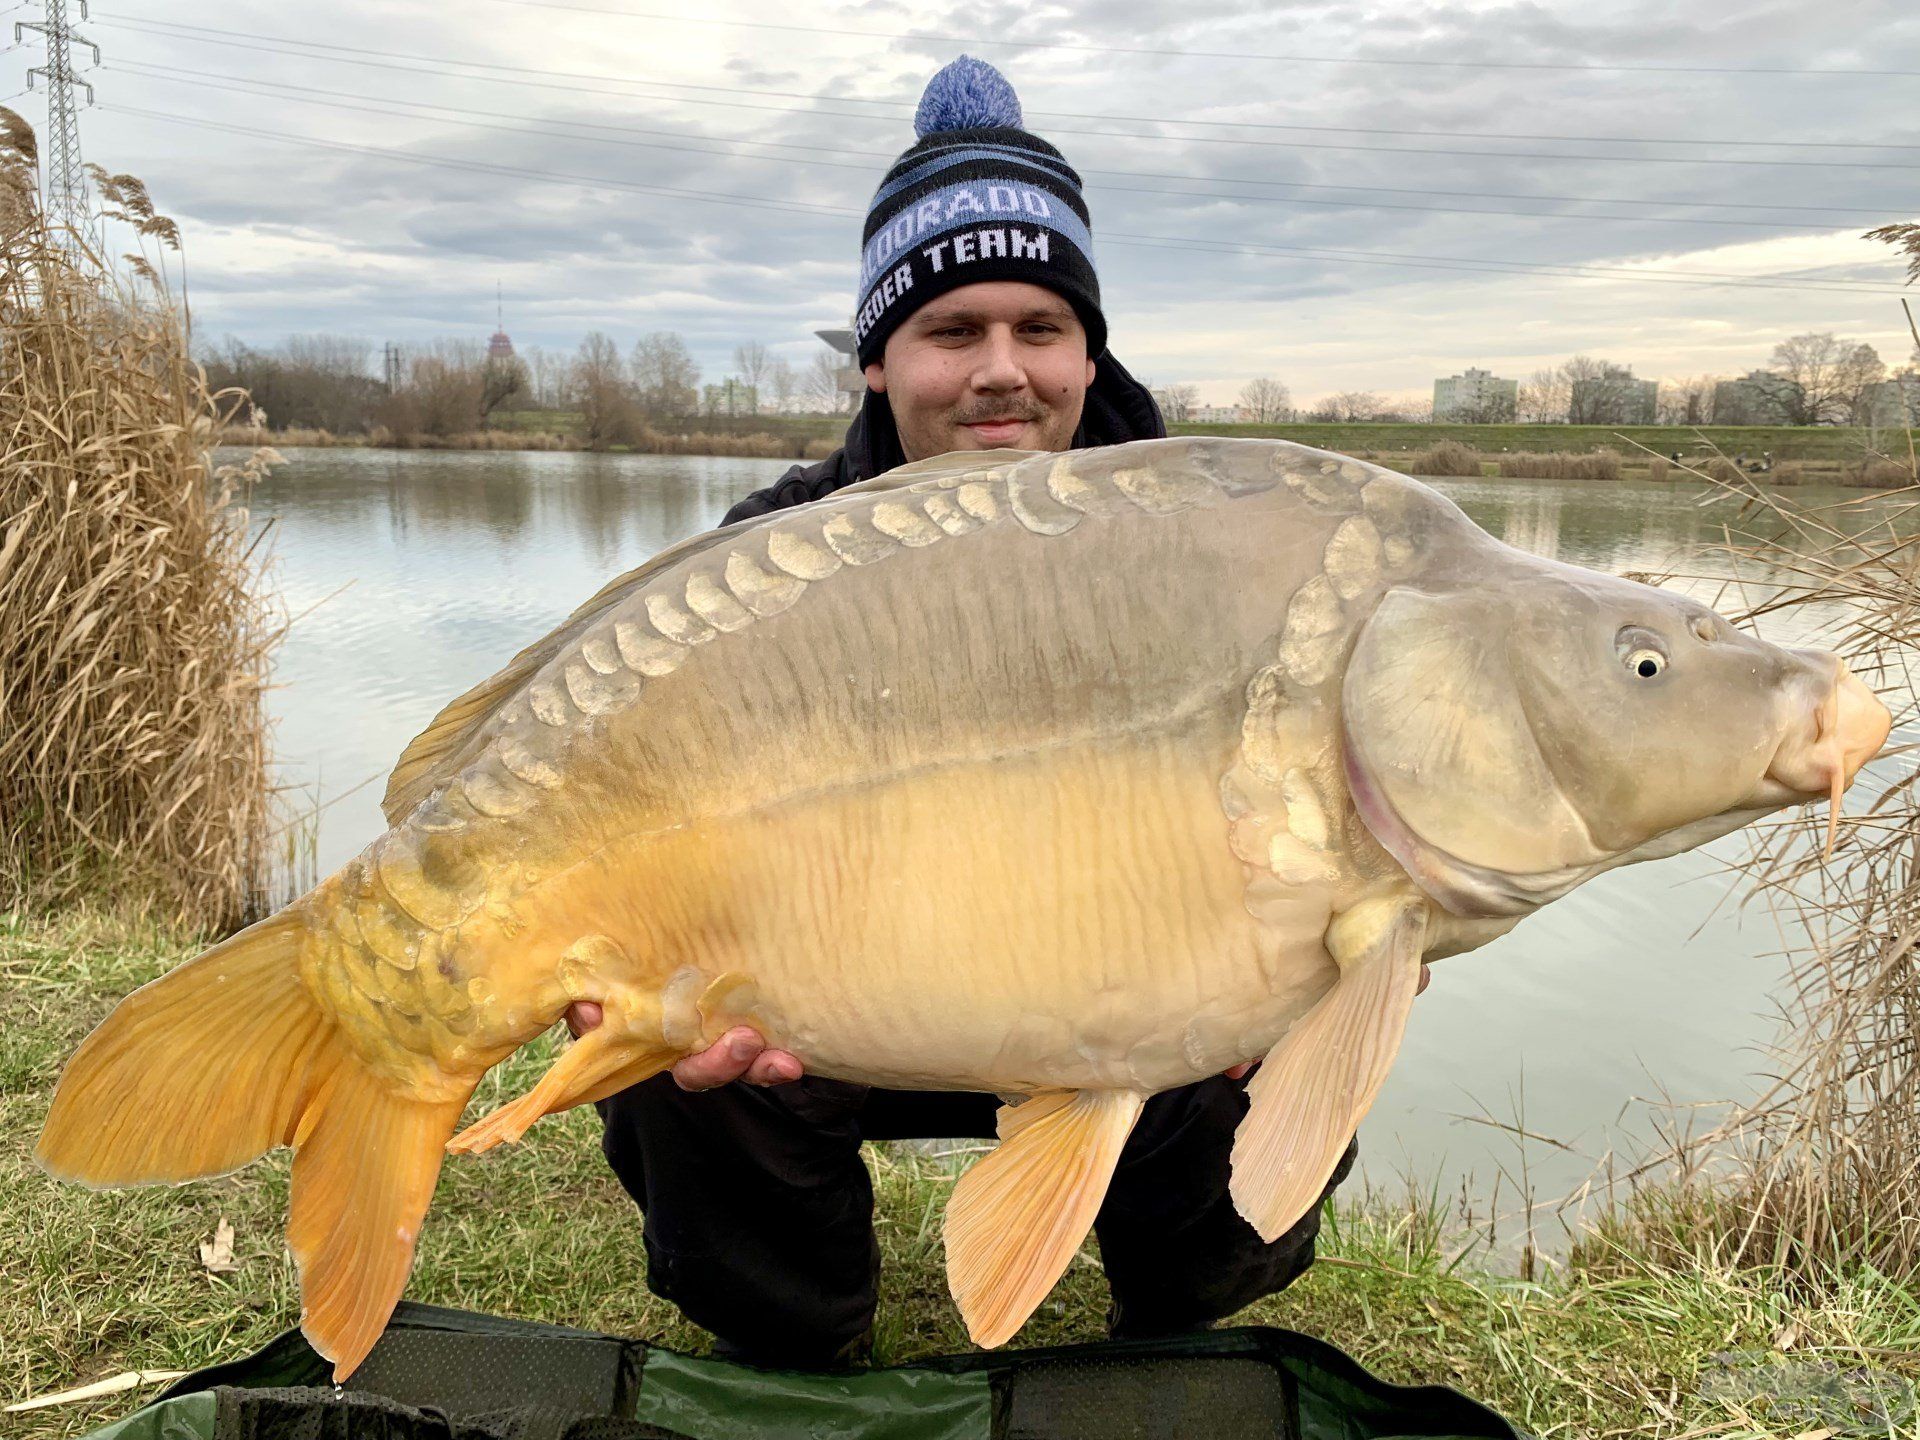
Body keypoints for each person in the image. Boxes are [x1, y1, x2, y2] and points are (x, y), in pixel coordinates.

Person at [568, 55, 1421, 1370]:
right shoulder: (771, 564)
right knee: (681, 1057)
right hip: (852, 995)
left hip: (1130, 977)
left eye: (1041, 328)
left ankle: (1176, 1306)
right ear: (877, 362)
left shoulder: (1218, 549)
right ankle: (805, 1344)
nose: (1002, 373)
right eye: (953, 332)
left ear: (1090, 352)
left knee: (1293, 981)